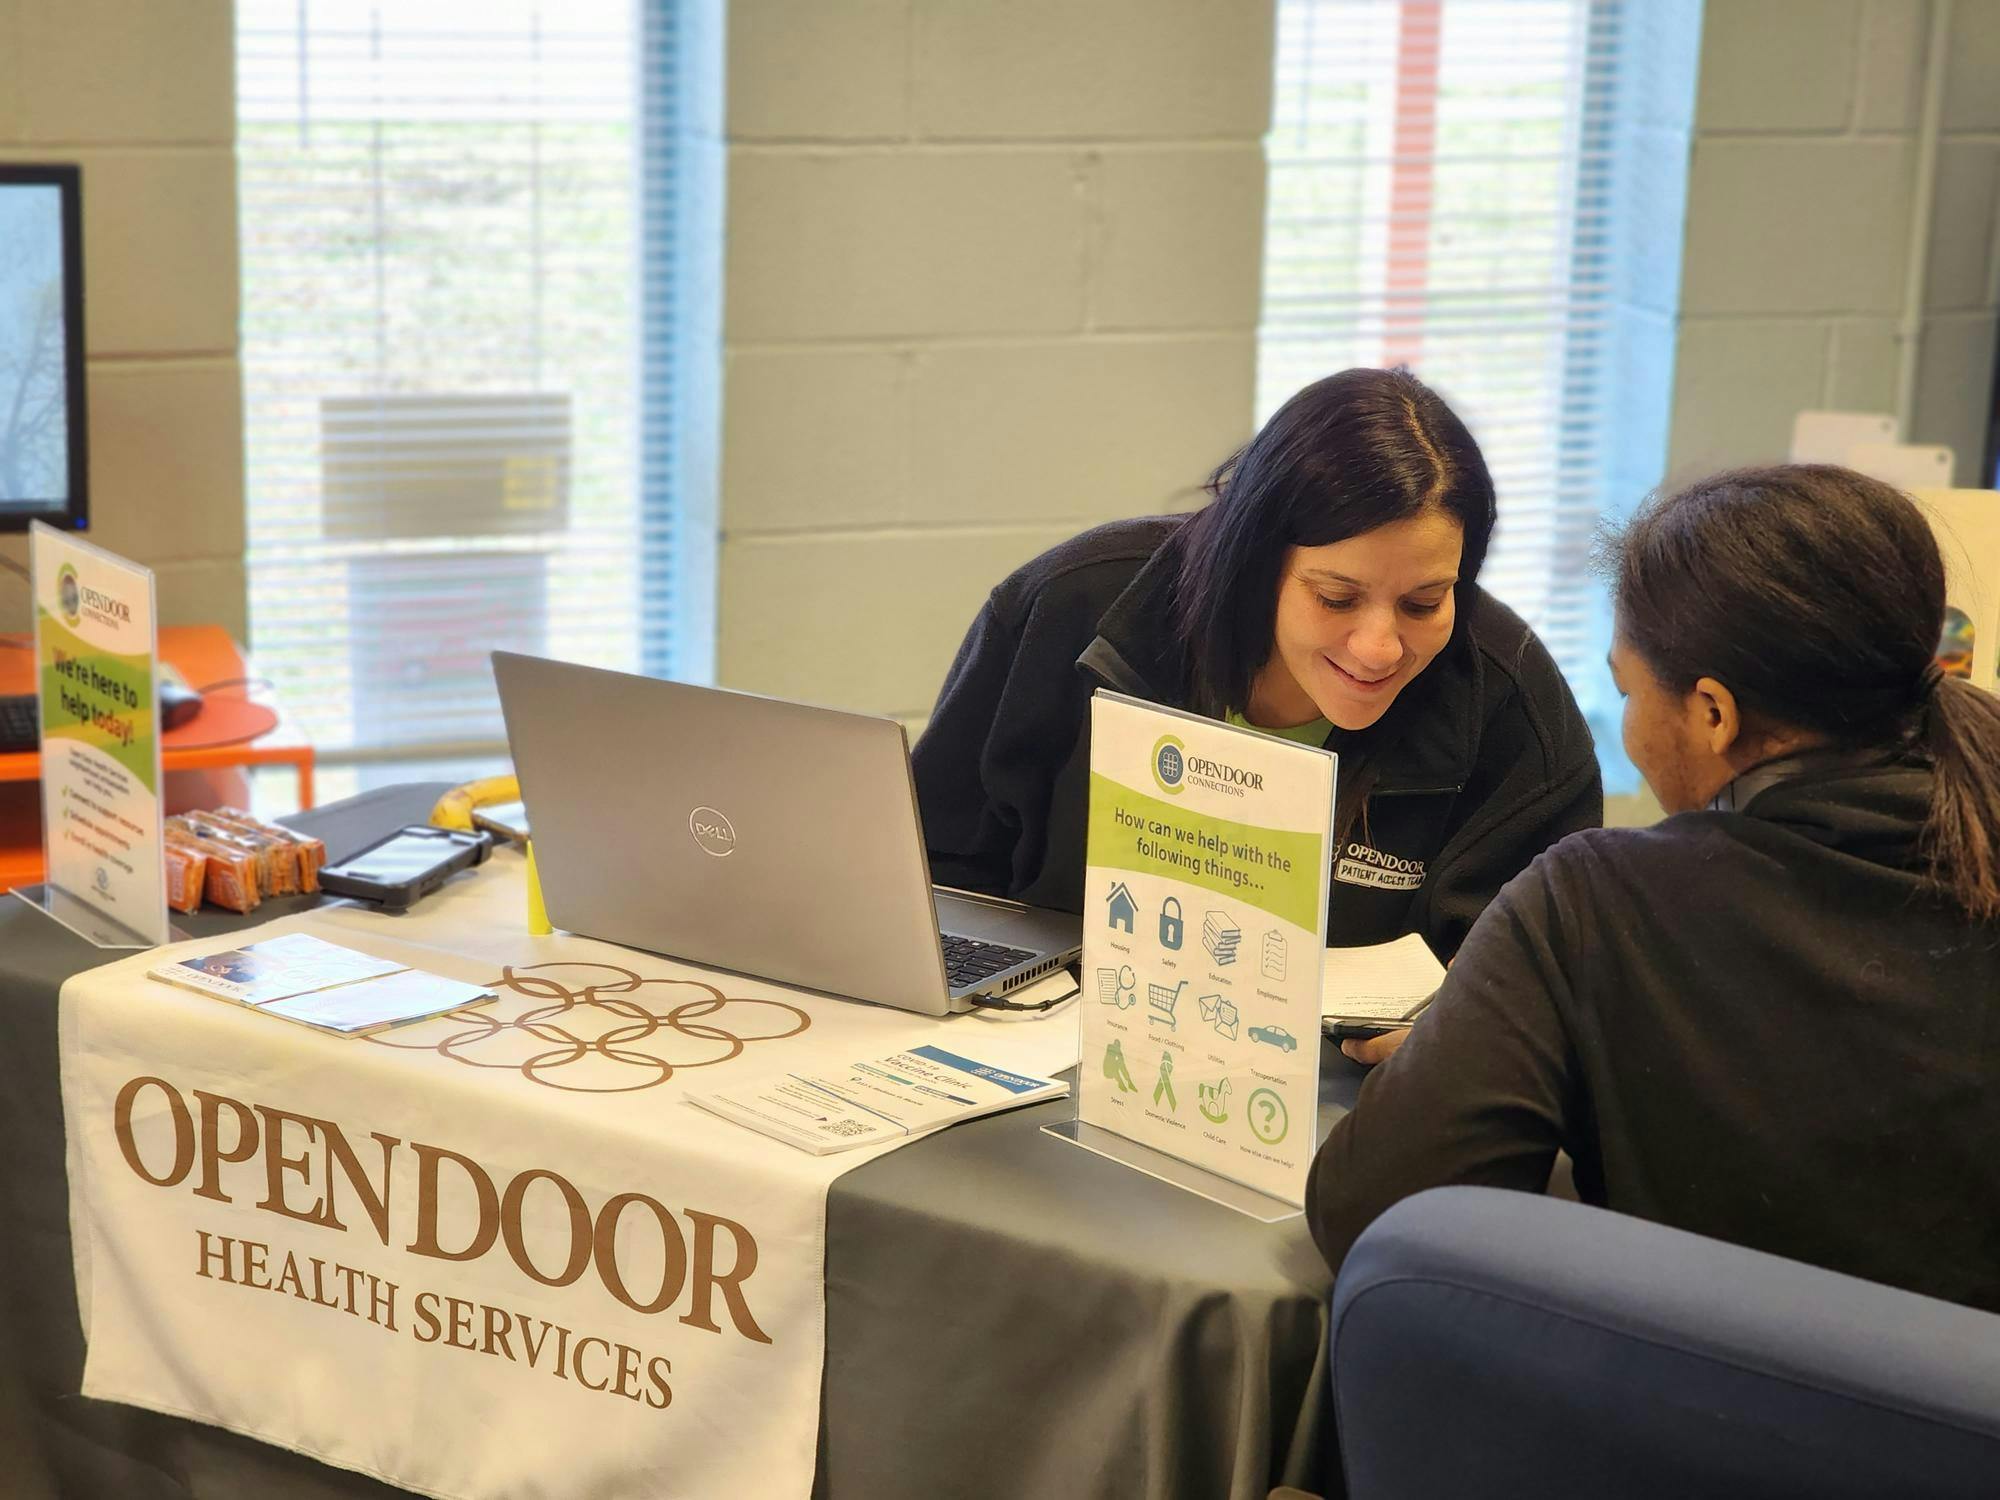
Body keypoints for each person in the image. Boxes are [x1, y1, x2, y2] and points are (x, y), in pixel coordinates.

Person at [1306, 464, 2000, 1312]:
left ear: (1714, 714)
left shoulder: (1595, 907)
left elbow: (1369, 1217)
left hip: (1699, 1434)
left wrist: (1470, 1049)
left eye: (1630, 691)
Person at [912, 367, 1602, 960]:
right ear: (1255, 565)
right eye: (1336, 598)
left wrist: (1454, 1039)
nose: (1379, 647)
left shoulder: (1509, 704)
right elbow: (929, 878)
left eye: (1424, 604)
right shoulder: (1067, 610)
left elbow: (1554, 979)